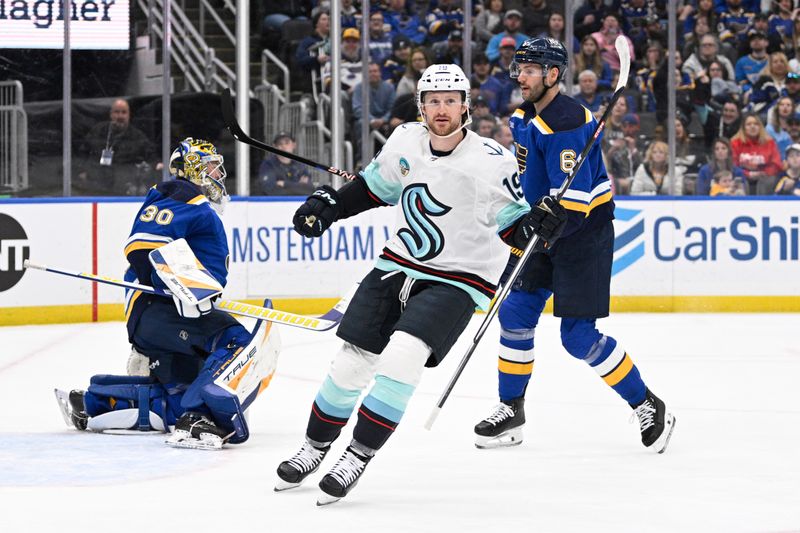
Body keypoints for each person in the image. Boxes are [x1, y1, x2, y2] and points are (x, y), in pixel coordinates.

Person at [274, 63, 536, 505]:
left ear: (465, 106)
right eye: (433, 101)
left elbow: (514, 227)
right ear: (421, 107)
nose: (442, 109)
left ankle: (357, 454)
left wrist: (537, 227)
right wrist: (329, 207)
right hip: (397, 265)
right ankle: (314, 447)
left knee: (402, 358)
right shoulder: (404, 142)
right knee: (349, 364)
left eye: (451, 100)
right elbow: (372, 189)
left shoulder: (493, 160)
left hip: (459, 279)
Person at [473, 38, 676, 454]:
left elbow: (577, 207)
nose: (520, 77)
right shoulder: (522, 116)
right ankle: (511, 410)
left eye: (530, 70)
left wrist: (547, 222)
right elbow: (530, 177)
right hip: (545, 228)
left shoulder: (568, 123)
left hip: (584, 235)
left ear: (552, 74)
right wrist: (528, 219)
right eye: (519, 68)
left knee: (578, 336)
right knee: (514, 312)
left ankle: (647, 403)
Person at [57, 138, 280, 450]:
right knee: (235, 341)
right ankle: (197, 417)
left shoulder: (195, 205)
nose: (219, 174)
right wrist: (181, 290)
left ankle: (91, 402)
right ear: (192, 170)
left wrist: (191, 293)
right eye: (211, 167)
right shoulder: (180, 193)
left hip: (170, 314)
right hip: (160, 311)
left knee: (178, 396)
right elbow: (141, 247)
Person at [76, 99, 159, 196]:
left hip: (124, 188)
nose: (120, 116)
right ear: (111, 114)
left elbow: (152, 156)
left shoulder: (137, 136)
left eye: (124, 112)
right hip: (96, 186)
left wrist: (157, 164)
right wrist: (81, 171)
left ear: (128, 115)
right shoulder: (98, 131)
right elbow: (82, 153)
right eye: (117, 112)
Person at [731, 112, 783, 195]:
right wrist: (748, 174)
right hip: (742, 175)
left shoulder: (770, 142)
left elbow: (776, 164)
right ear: (743, 128)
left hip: (765, 176)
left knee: (768, 181)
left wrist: (764, 173)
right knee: (739, 181)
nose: (752, 126)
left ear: (760, 127)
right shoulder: (735, 143)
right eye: (749, 124)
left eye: (756, 124)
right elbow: (732, 165)